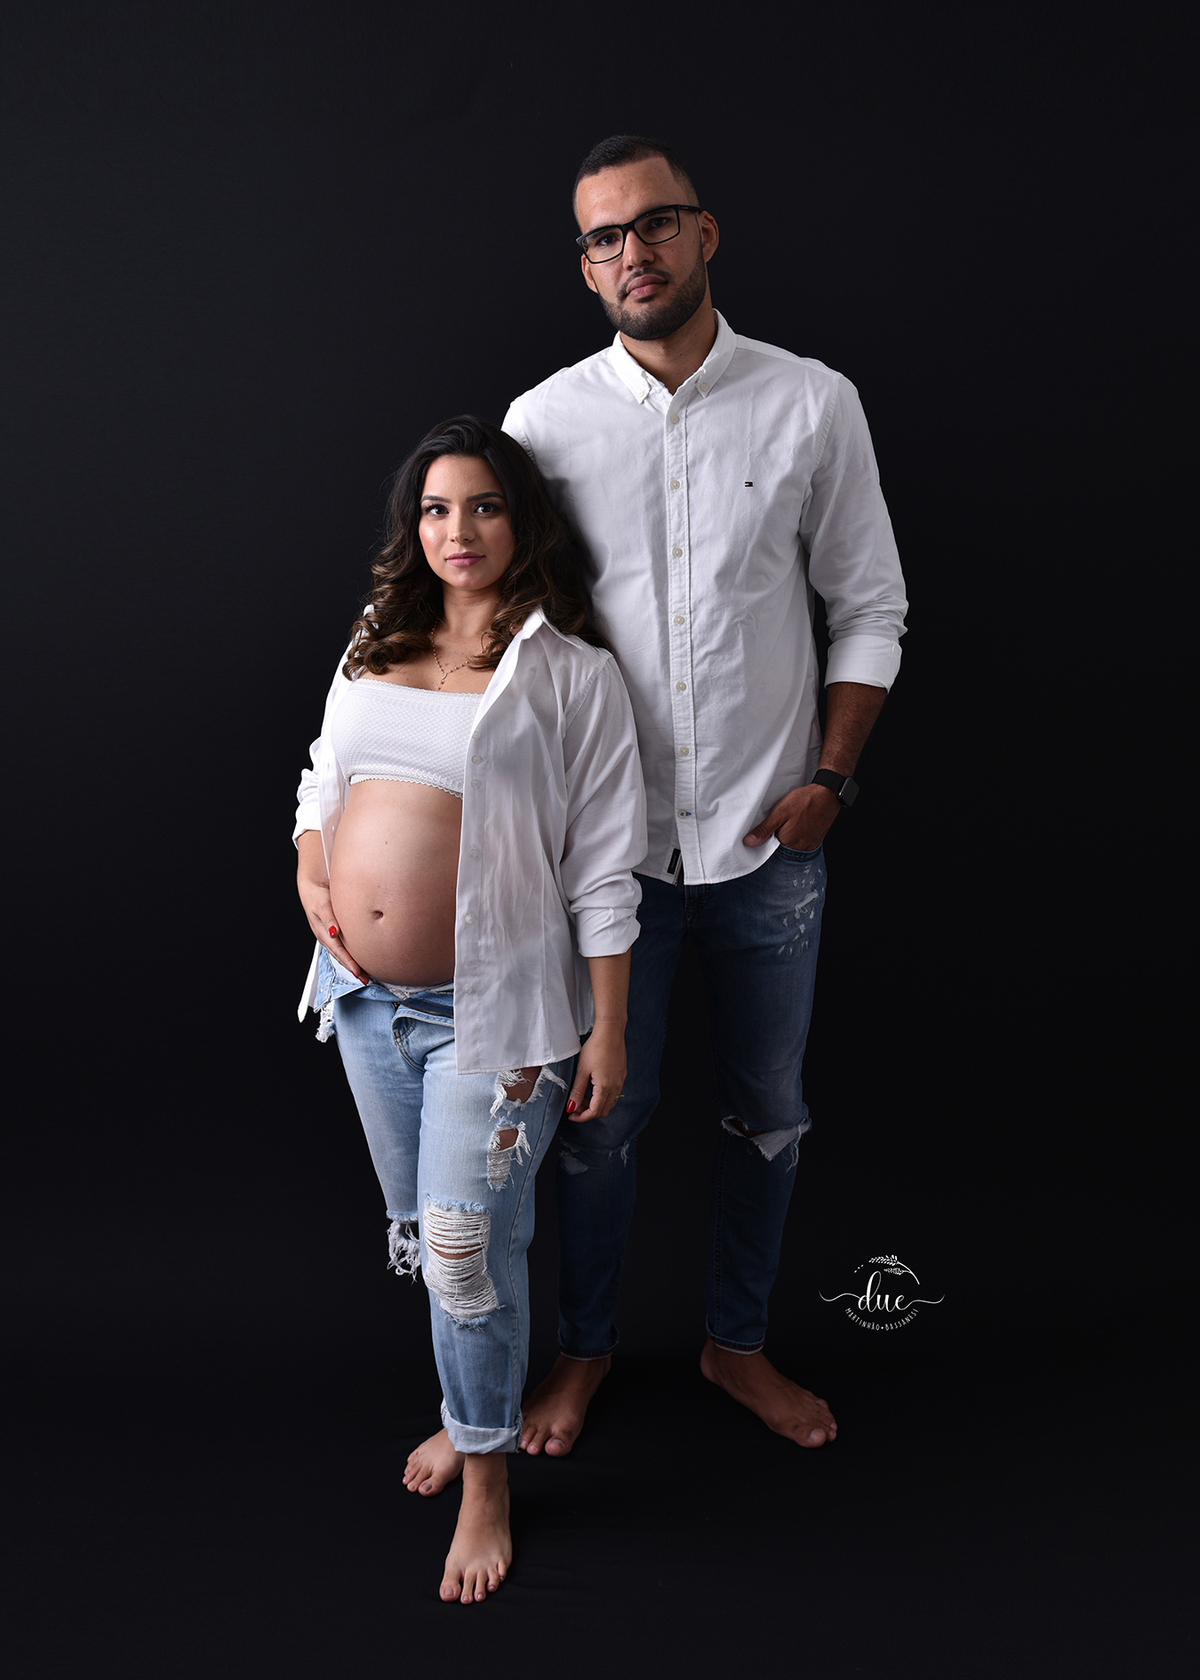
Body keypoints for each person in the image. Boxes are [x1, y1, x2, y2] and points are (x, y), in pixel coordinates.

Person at [502, 135, 909, 1455]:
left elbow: (869, 605)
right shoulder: (541, 426)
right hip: (606, 863)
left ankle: (737, 1346)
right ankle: (584, 1353)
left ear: (705, 232)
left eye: (655, 224)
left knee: (769, 1114)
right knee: (596, 1125)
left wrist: (829, 780)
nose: (634, 253)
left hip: (767, 847)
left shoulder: (812, 403)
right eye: (604, 238)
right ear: (584, 267)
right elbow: (497, 625)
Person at [293, 416, 646, 1604]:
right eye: (437, 509)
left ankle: (486, 1477)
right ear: (416, 526)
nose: (459, 530)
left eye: (484, 505)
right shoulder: (373, 637)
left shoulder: (571, 673)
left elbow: (605, 867)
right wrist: (312, 868)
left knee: (464, 1250)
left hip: (493, 1018)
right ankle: (469, 1409)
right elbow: (323, 777)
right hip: (359, 1000)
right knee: (435, 1232)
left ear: (521, 520)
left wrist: (608, 1029)